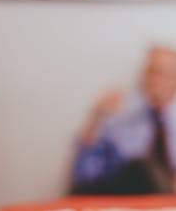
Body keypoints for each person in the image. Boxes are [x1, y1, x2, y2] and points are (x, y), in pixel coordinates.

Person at [71, 45, 176, 194]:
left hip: (170, 209)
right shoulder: (119, 125)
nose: (154, 80)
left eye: (161, 73)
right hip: (129, 207)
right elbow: (84, 176)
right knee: (139, 169)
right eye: (149, 72)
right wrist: (95, 119)